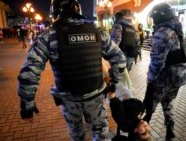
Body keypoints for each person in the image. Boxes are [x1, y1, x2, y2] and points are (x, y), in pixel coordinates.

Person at [17, 0, 126, 140]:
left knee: (76, 134)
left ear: (55, 12)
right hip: (96, 96)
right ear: (78, 11)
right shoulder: (98, 32)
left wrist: (27, 105)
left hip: (69, 100)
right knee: (101, 135)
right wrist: (113, 81)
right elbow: (119, 59)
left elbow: (28, 73)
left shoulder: (48, 36)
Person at [142, 3, 186, 140]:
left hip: (165, 76)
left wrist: (150, 79)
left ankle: (141, 132)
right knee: (167, 101)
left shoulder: (162, 32)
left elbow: (157, 61)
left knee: (150, 105)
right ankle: (170, 126)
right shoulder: (176, 29)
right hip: (179, 76)